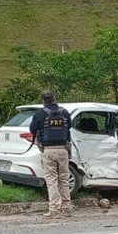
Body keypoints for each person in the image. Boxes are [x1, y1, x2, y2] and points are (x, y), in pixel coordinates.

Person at [29, 90, 72, 218]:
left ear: (43, 101)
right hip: (63, 149)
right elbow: (69, 127)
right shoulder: (64, 112)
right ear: (54, 98)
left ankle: (54, 210)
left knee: (52, 180)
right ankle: (67, 208)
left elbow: (32, 129)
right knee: (64, 178)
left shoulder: (40, 114)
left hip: (48, 150)